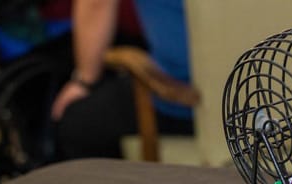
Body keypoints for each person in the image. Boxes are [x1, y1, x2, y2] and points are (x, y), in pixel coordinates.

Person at [51, 0, 193, 160]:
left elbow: (97, 4)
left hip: (181, 100)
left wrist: (83, 81)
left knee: (76, 126)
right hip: (224, 106)